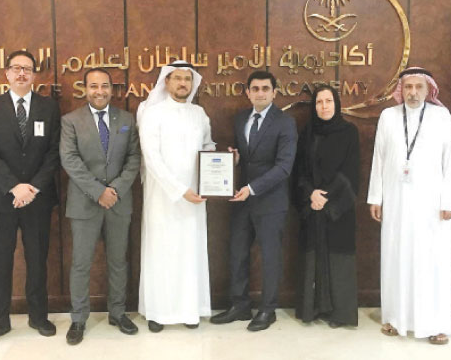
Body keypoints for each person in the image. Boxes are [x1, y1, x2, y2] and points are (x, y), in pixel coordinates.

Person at [367, 66, 451, 345]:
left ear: (428, 89)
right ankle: (396, 319)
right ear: (401, 89)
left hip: (433, 206)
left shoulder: (441, 117)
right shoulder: (388, 117)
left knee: (433, 262)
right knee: (397, 257)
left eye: (418, 87)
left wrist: (450, 201)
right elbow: (379, 159)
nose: (413, 92)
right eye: (408, 87)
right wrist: (376, 197)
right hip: (396, 202)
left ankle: (437, 324)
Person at [0, 50, 60, 346]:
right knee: (0, 261)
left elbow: (53, 153)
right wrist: (15, 187)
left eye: (27, 68)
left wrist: (33, 188)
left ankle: (39, 317)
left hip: (38, 198)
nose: (22, 73)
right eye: (16, 68)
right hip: (0, 199)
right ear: (7, 74)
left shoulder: (49, 108)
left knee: (38, 259)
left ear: (35, 74)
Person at [210, 71, 297, 331]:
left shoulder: (285, 122)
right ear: (247, 92)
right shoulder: (240, 119)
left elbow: (284, 167)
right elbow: (247, 158)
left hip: (270, 201)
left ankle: (268, 310)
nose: (260, 93)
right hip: (241, 200)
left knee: (270, 257)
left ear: (274, 92)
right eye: (255, 88)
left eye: (265, 88)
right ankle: (240, 305)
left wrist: (252, 188)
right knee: (237, 253)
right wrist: (234, 161)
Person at [60, 68, 141, 345]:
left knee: (118, 262)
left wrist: (114, 190)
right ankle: (78, 318)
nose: (100, 91)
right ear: (85, 89)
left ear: (112, 89)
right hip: (85, 203)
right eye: (94, 86)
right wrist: (98, 192)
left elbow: (133, 159)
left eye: (105, 86)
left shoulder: (127, 119)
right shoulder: (71, 120)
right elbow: (70, 160)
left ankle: (118, 313)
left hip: (119, 202)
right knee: (81, 263)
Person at [137, 60, 215, 332]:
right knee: (161, 252)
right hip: (162, 198)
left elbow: (208, 145)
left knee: (190, 252)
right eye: (178, 78)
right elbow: (152, 158)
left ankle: (189, 311)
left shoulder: (199, 113)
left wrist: (222, 160)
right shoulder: (152, 113)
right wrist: (180, 190)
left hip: (195, 197)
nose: (183, 83)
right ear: (166, 82)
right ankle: (158, 313)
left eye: (187, 79)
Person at [294, 85, 359, 328]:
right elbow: (299, 170)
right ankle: (314, 309)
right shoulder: (307, 132)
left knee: (338, 258)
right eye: (319, 102)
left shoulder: (349, 132)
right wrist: (311, 193)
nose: (324, 106)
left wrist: (327, 197)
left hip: (338, 209)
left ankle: (339, 314)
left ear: (336, 104)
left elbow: (351, 171)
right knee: (314, 256)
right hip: (312, 207)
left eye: (328, 101)